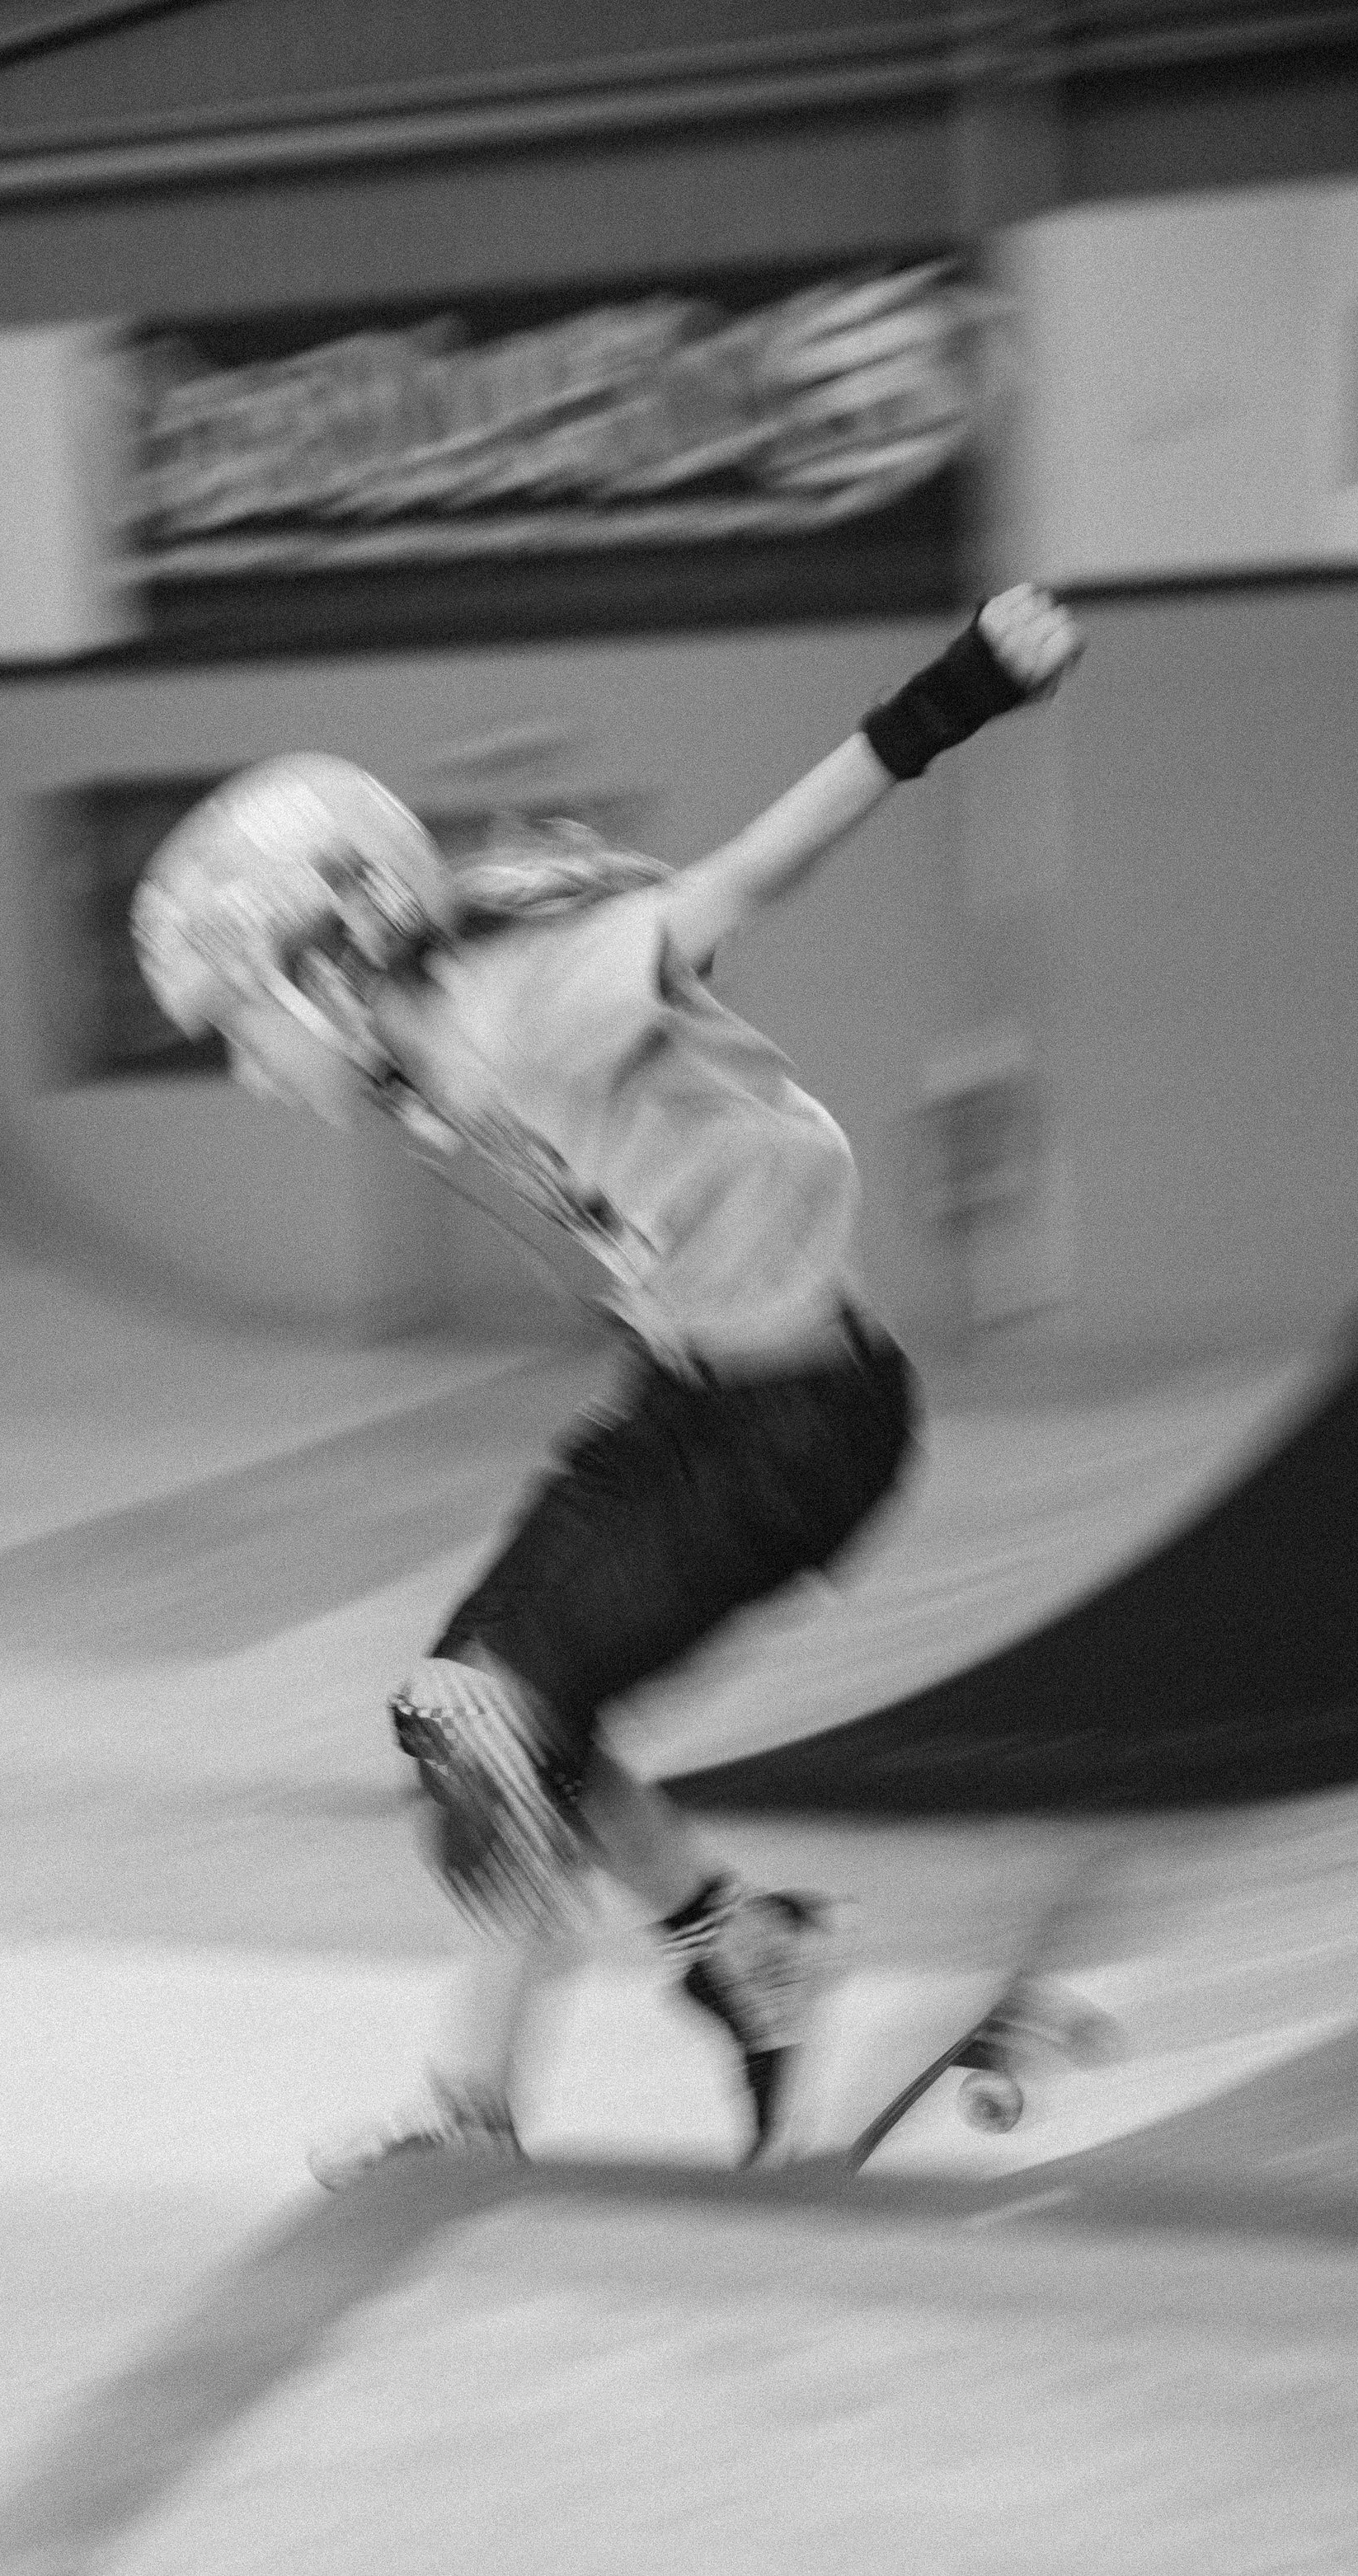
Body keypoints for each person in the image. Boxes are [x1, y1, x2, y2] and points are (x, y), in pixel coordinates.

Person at [131, 585, 1085, 2170]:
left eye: (242, 1023)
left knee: (501, 1721)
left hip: (799, 1426)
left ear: (321, 960)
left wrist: (956, 693)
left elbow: (748, 878)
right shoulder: (417, 1055)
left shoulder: (523, 1000)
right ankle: (743, 1948)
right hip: (691, 1405)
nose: (247, 1068)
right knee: (474, 1721)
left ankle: (476, 2110)